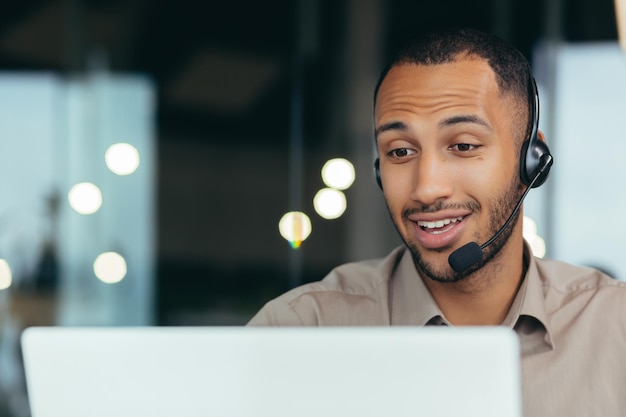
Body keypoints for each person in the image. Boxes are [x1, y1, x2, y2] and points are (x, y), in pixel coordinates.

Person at [248, 28, 626, 416]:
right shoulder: (301, 331)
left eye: (463, 146)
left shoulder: (616, 328)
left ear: (531, 160)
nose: (426, 188)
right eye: (400, 151)